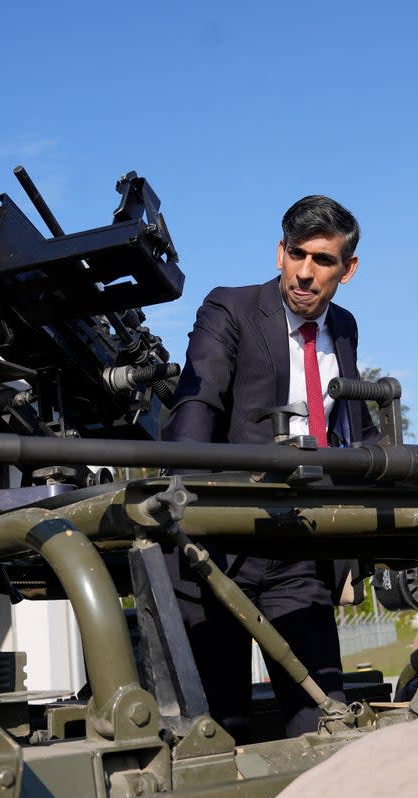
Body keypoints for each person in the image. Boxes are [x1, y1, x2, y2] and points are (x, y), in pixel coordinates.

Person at [163, 195, 379, 742]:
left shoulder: (345, 328)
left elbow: (357, 428)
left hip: (301, 547)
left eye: (323, 261)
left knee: (323, 721)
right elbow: (197, 402)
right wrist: (188, 513)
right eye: (296, 254)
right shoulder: (230, 308)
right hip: (218, 549)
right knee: (218, 725)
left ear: (347, 269)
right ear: (279, 251)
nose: (305, 273)